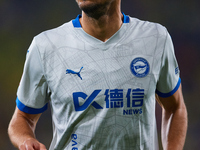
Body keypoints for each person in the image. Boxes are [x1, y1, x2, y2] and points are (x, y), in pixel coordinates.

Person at [8, 0, 188, 150]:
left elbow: (175, 107)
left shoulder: (155, 38)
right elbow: (22, 118)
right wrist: (25, 140)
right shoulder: (45, 46)